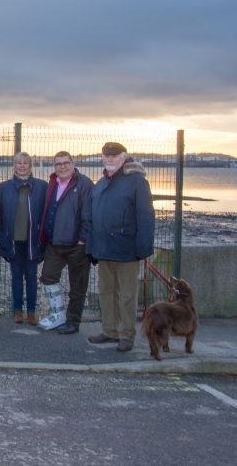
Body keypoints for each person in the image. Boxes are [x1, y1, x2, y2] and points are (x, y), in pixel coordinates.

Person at [87, 142, 155, 352]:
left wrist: (143, 248)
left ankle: (127, 335)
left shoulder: (136, 181)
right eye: (106, 156)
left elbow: (145, 216)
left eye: (114, 156)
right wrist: (92, 247)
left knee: (127, 296)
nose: (109, 159)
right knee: (106, 293)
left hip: (127, 250)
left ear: (123, 158)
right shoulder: (100, 183)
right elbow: (93, 218)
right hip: (104, 249)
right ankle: (109, 331)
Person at [38, 151, 94, 334]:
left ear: (73, 164)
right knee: (47, 276)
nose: (62, 167)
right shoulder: (52, 183)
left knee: (77, 286)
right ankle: (58, 314)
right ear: (54, 166)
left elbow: (88, 213)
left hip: (76, 245)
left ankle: (73, 322)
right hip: (55, 244)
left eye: (65, 163)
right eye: (58, 164)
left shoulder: (84, 183)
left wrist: (82, 239)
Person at [0, 152, 48, 325]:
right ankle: (18, 310)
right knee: (16, 276)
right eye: (19, 163)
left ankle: (31, 311)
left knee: (31, 276)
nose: (22, 166)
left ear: (30, 166)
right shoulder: (4, 187)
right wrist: (0, 236)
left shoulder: (42, 186)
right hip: (13, 241)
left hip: (33, 241)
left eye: (26, 163)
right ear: (14, 165)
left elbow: (47, 214)